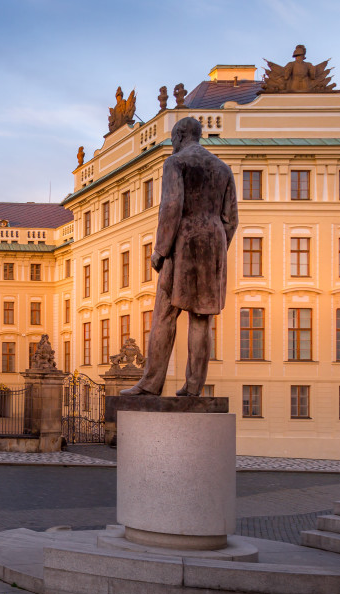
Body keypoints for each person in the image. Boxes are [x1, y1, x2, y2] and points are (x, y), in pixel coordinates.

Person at [121, 117, 238, 397]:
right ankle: (194, 387)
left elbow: (172, 207)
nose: (173, 144)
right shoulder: (223, 168)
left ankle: (150, 384)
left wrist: (161, 250)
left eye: (174, 139)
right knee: (201, 318)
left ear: (180, 136)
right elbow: (231, 219)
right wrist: (218, 249)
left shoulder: (176, 163)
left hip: (183, 242)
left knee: (164, 313)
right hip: (214, 242)